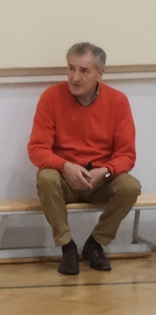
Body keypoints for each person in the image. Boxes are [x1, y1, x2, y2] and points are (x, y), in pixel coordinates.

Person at [28, 42, 141, 275]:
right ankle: (67, 247)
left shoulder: (118, 101)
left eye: (83, 71)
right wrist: (65, 167)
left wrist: (106, 171)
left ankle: (96, 243)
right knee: (46, 178)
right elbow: (37, 149)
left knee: (131, 186)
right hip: (65, 178)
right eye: (71, 68)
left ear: (100, 73)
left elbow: (127, 154)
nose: (74, 77)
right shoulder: (51, 97)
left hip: (101, 178)